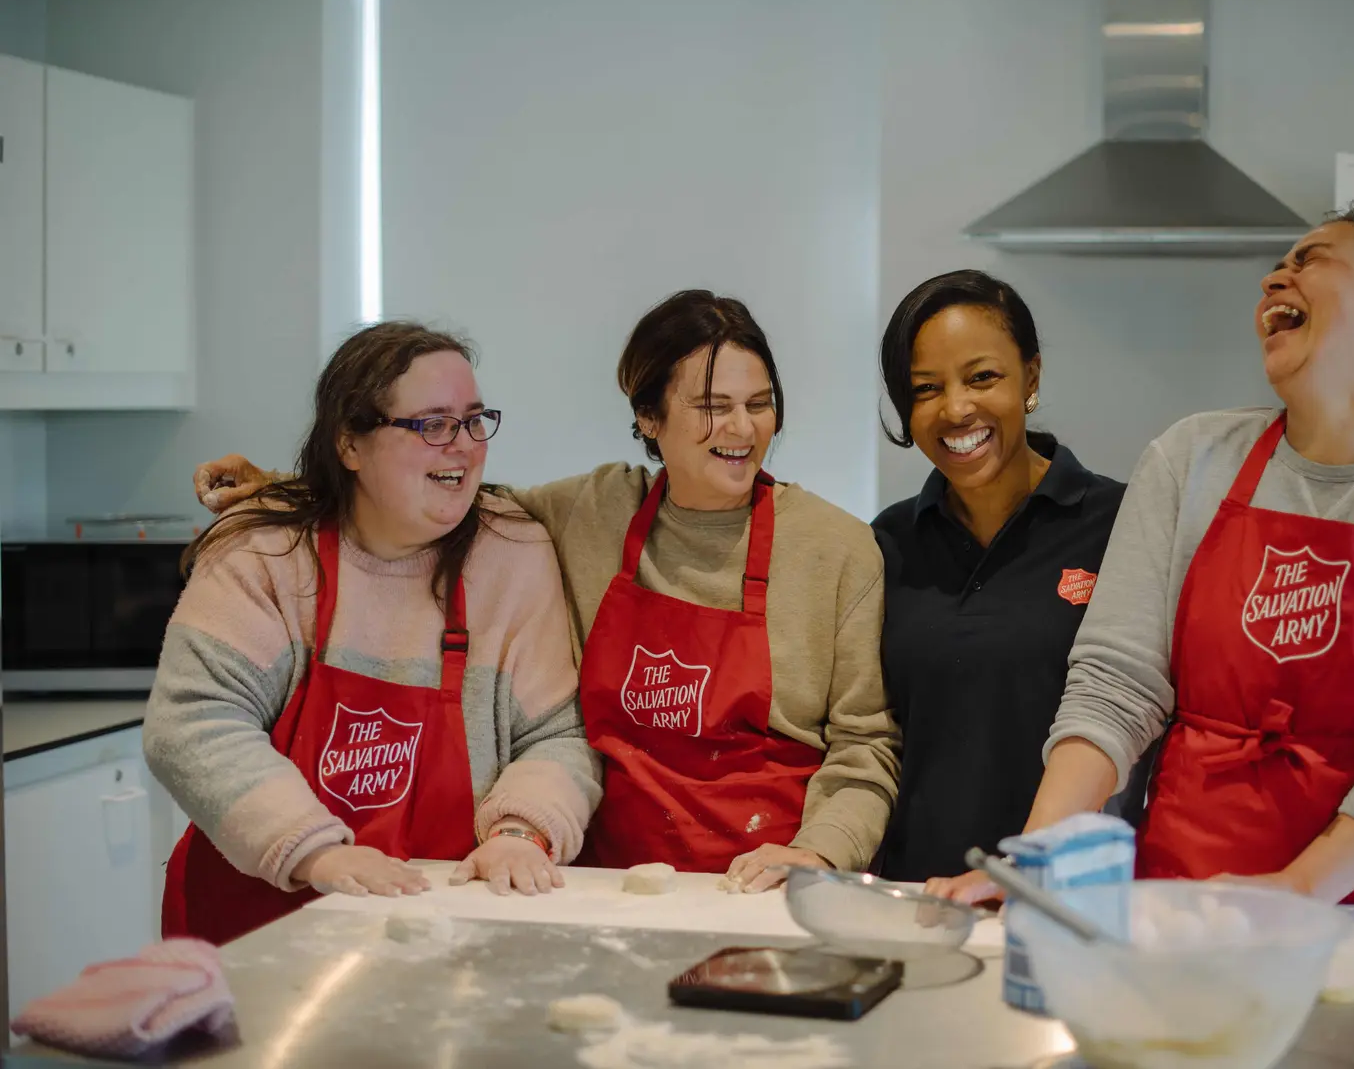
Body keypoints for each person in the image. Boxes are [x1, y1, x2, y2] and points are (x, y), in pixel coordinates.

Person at [931, 203, 1354, 999]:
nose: (1274, 276)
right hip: (1193, 897)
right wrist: (1039, 859)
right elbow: (1118, 685)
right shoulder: (1192, 457)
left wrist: (1296, 893)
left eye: (1313, 258)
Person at [193, 292, 900, 892]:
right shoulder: (591, 513)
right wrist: (293, 487)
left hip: (764, 885)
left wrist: (818, 854)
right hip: (599, 889)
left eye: (760, 403)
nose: (742, 430)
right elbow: (438, 490)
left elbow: (866, 746)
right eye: (712, 406)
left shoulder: (835, 550)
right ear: (648, 418)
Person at [150, 322, 600, 946]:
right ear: (350, 445)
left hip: (448, 918)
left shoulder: (512, 551)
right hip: (261, 927)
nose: (463, 446)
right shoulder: (265, 550)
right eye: (432, 424)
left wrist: (522, 831)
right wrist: (315, 853)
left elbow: (556, 734)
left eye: (474, 421)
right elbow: (193, 723)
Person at [868, 270, 1132, 885]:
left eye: (982, 378)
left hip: (1075, 896)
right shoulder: (886, 544)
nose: (956, 408)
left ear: (1030, 378)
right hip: (919, 894)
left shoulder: (1121, 523)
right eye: (926, 387)